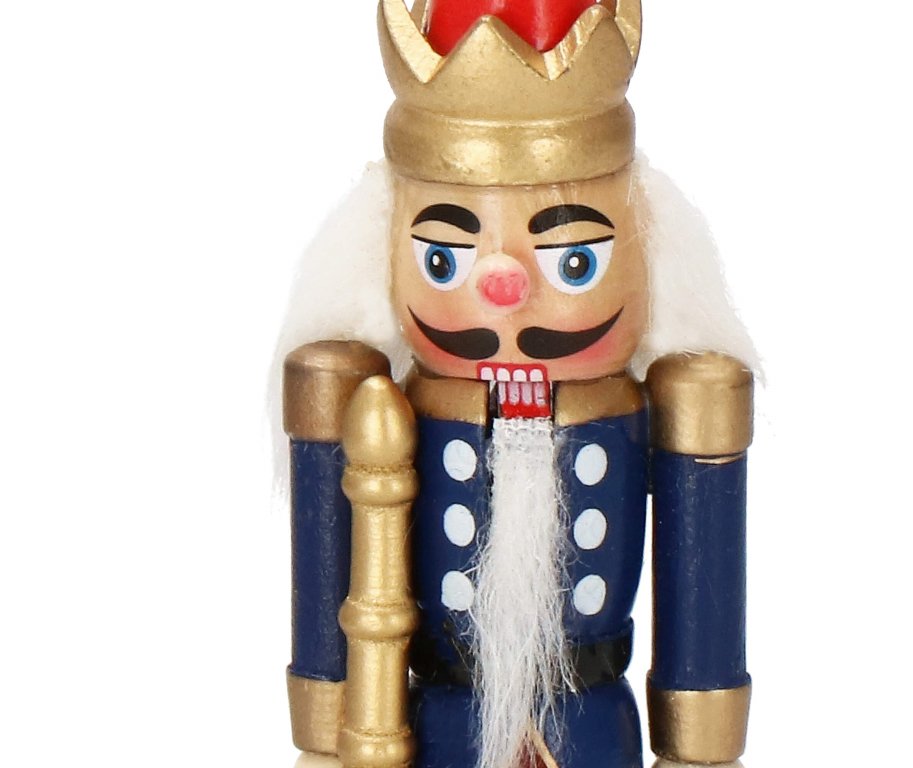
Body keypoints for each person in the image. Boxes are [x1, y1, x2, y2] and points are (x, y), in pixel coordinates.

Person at [276, 2, 757, 766]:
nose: (505, 287)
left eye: (574, 262)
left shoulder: (645, 407)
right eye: (444, 261)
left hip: (590, 723)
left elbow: (702, 586)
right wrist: (326, 719)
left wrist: (702, 737)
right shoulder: (391, 408)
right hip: (443, 721)